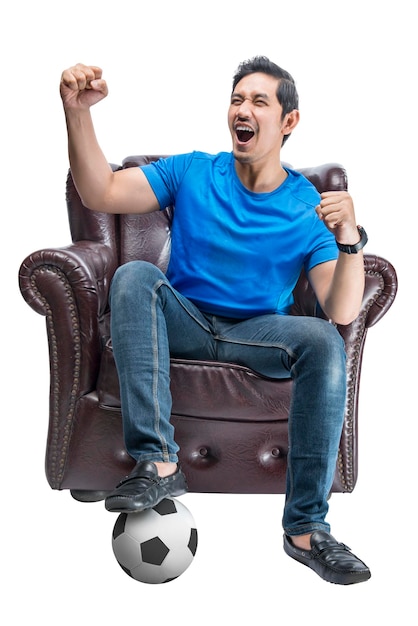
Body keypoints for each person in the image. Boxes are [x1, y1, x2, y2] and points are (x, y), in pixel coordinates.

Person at [60, 56, 370, 585]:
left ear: (288, 122)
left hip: (259, 334)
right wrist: (76, 114)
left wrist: (349, 243)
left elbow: (341, 310)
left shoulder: (307, 206)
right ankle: (158, 464)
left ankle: (305, 529)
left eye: (259, 101)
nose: (242, 110)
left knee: (322, 339)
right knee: (134, 276)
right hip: (186, 317)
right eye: (236, 99)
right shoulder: (194, 171)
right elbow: (101, 193)